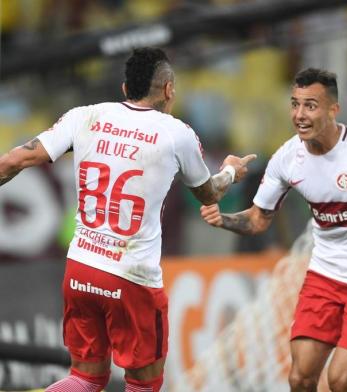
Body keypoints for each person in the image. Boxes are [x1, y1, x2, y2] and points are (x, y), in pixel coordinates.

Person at [0, 47, 256, 392]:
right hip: (132, 278)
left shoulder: (85, 116)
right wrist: (230, 171)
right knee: (143, 384)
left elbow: (13, 161)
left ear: (125, 89)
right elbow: (209, 194)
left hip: (81, 268)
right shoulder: (176, 133)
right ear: (168, 89)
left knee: (85, 378)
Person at [200, 67, 347, 392]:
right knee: (300, 379)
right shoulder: (287, 158)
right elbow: (259, 219)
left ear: (334, 109)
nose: (299, 115)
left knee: (342, 381)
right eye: (295, 104)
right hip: (323, 277)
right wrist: (225, 219)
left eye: (310, 106)